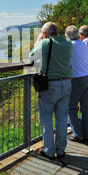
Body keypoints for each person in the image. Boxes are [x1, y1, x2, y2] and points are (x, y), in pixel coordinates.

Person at [29, 22, 73, 160]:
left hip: (50, 85)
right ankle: (61, 150)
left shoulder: (45, 43)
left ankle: (49, 151)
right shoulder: (68, 43)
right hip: (66, 83)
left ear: (45, 34)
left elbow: (30, 58)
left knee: (47, 119)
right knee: (61, 118)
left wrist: (38, 42)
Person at [65, 25, 88, 144]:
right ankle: (85, 135)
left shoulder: (70, 46)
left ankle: (78, 135)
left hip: (78, 79)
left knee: (70, 107)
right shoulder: (83, 43)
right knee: (86, 108)